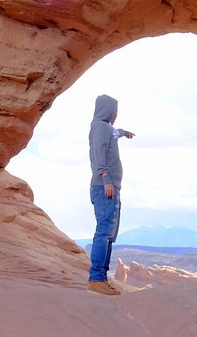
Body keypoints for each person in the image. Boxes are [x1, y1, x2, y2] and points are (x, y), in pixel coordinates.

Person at [87, 94, 134, 295]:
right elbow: (98, 153)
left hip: (111, 187)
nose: (116, 115)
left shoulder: (105, 128)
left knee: (109, 234)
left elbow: (113, 132)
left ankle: (101, 278)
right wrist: (106, 179)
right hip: (105, 186)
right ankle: (96, 279)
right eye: (115, 111)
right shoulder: (100, 127)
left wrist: (124, 132)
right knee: (104, 232)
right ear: (108, 110)